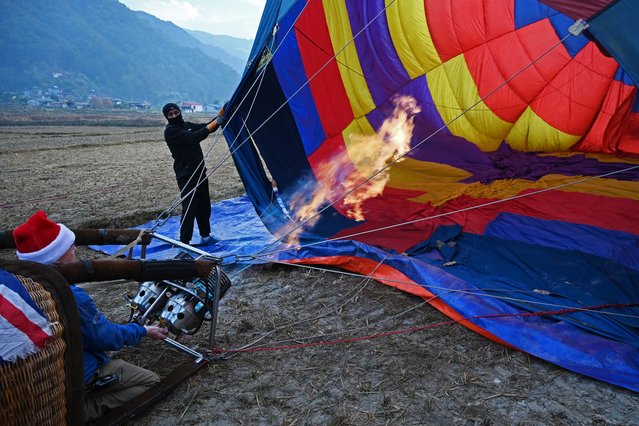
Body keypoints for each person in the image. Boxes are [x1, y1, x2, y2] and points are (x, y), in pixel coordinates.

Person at [13, 210, 169, 421]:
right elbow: (105, 337)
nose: (75, 249)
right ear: (57, 258)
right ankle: (79, 411)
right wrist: (142, 330)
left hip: (42, 374)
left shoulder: (19, 285)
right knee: (150, 381)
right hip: (75, 373)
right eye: (70, 247)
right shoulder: (70, 296)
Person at [162, 103, 226, 246]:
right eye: (170, 114)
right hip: (186, 175)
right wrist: (213, 125)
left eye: (175, 112)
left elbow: (207, 126)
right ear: (167, 117)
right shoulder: (171, 131)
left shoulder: (187, 125)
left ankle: (205, 236)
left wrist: (221, 114)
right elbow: (193, 137)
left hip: (199, 171)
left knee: (204, 205)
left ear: (180, 112)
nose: (174, 116)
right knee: (190, 208)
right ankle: (184, 242)